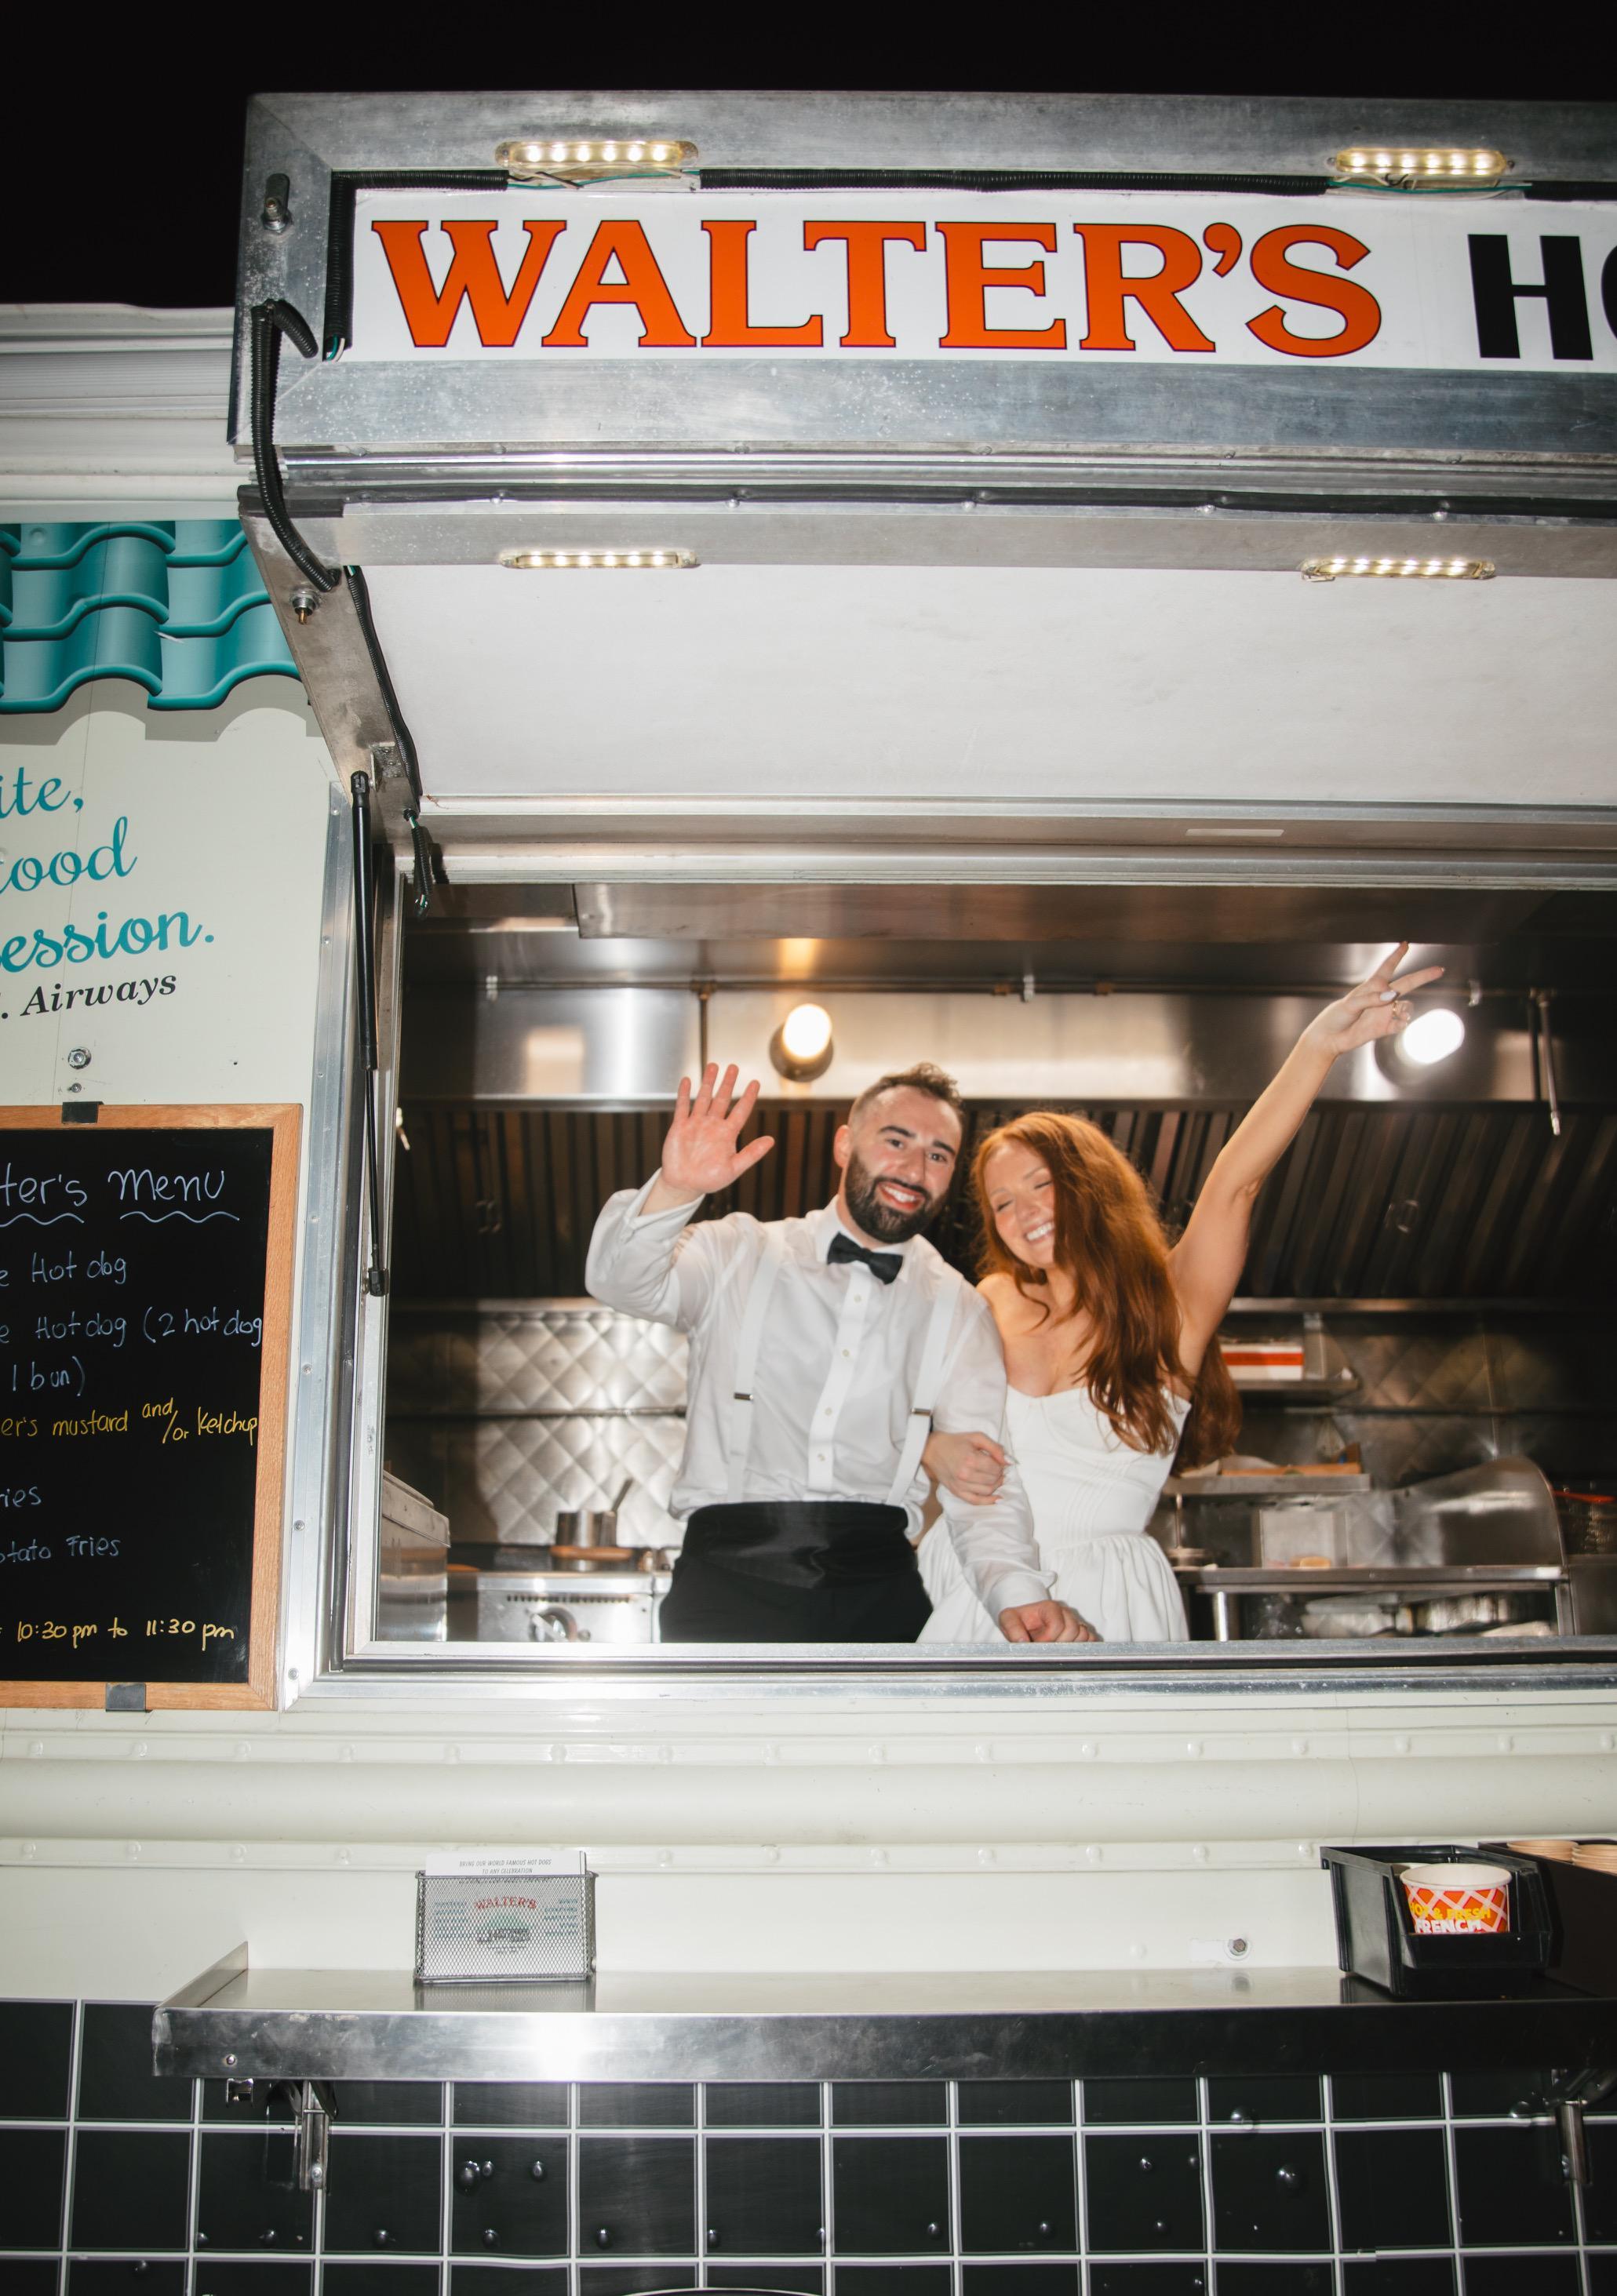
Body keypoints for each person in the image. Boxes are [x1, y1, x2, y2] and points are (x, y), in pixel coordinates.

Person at [917, 944, 1444, 1644]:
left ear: (1089, 1186)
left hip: (1109, 1598)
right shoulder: (991, 1298)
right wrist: (929, 1448)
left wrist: (1318, 1046)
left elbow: (1235, 1181)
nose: (1025, 1212)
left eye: (1041, 1184)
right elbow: (900, 1415)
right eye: (1002, 1202)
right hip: (974, 1588)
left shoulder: (1170, 1306)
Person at [586, 1060, 1092, 1644]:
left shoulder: (960, 1307)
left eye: (937, 1154)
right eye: (896, 1141)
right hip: (727, 1583)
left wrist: (1017, 1593)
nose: (914, 1168)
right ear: (845, 1144)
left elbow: (981, 1481)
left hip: (880, 1591)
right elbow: (618, 1281)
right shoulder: (737, 1251)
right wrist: (676, 1189)